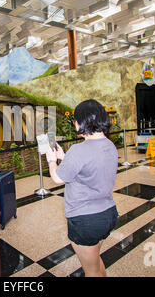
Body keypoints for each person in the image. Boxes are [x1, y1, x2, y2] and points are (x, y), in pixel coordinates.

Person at [45, 99, 118, 277]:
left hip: (85, 220)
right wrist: (64, 157)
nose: (74, 123)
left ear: (83, 121)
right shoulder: (110, 145)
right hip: (107, 214)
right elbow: (89, 169)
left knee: (91, 271)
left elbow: (57, 178)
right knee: (94, 261)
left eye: (75, 119)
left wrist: (51, 160)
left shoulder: (79, 150)